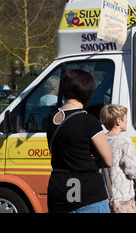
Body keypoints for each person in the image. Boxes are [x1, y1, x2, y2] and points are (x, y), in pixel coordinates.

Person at [46, 69, 113, 213]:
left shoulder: (52, 119)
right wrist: (96, 161)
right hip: (86, 190)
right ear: (86, 92)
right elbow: (108, 160)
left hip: (58, 189)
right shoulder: (89, 121)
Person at [100, 104, 136, 213]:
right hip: (122, 200)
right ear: (118, 121)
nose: (127, 121)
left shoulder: (101, 139)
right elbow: (134, 172)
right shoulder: (124, 141)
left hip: (104, 198)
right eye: (126, 118)